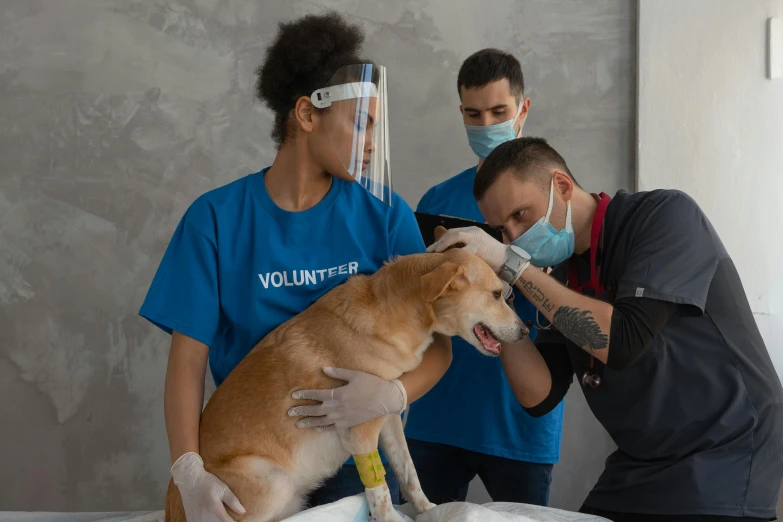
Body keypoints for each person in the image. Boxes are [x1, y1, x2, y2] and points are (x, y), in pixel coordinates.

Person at [139, 12, 451, 522]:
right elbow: (187, 363)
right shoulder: (215, 219)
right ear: (307, 114)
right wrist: (190, 472)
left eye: (377, 127)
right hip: (263, 454)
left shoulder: (385, 215)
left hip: (359, 463)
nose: (372, 142)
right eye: (361, 123)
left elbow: (438, 344)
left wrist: (394, 393)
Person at [428, 136, 783, 521]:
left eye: (520, 216)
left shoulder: (665, 216)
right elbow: (538, 395)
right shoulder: (561, 276)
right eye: (502, 231)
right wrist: (496, 299)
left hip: (723, 453)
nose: (513, 239)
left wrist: (512, 266)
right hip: (641, 463)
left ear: (561, 186)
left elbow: (623, 341)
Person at [404, 49, 563, 506]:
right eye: (474, 114)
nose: (486, 123)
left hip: (518, 421)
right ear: (460, 114)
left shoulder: (557, 205)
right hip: (438, 412)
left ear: (523, 109)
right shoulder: (437, 198)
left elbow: (572, 307)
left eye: (499, 111)